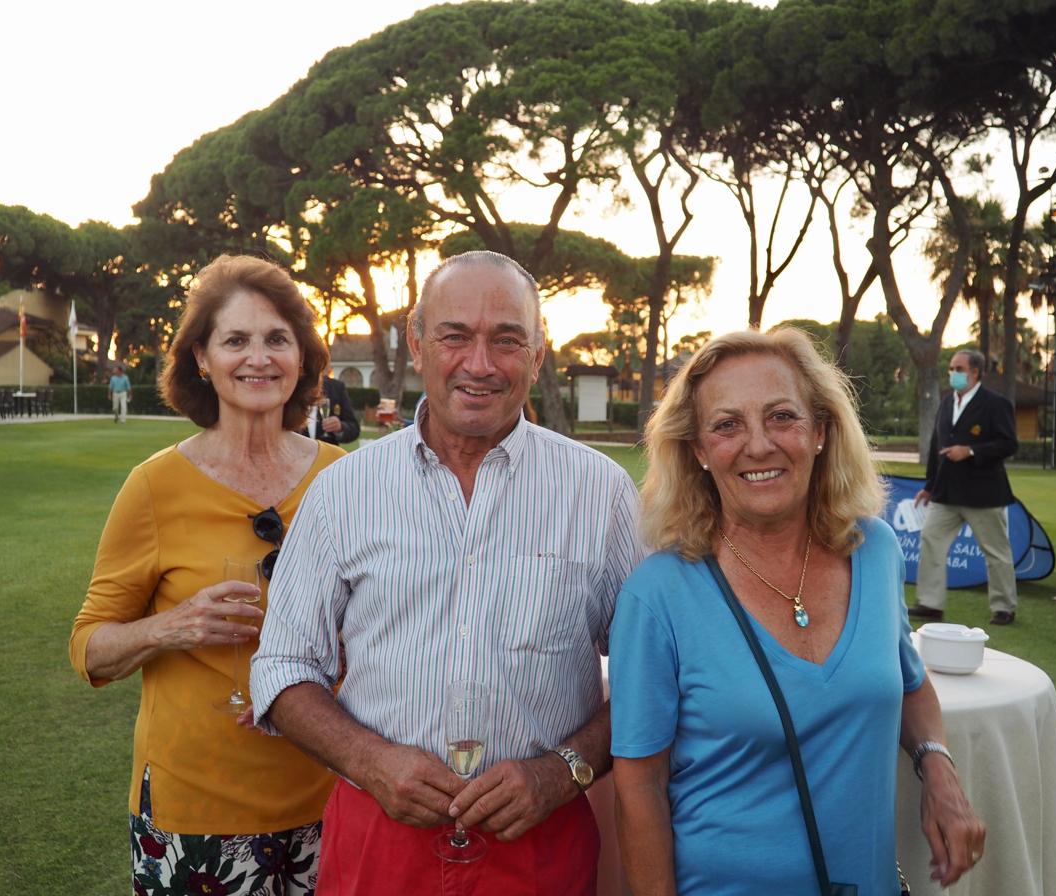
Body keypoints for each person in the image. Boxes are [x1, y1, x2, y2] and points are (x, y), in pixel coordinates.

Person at [250, 250, 643, 896]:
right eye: (455, 336)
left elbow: (649, 679)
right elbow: (282, 665)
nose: (479, 364)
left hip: (540, 850)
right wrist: (368, 761)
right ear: (417, 344)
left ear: (538, 355)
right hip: (379, 842)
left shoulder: (599, 493)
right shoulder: (344, 491)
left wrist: (559, 772)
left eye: (507, 340)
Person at [609, 328, 985, 895]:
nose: (758, 445)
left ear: (820, 432)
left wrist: (938, 768)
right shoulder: (657, 595)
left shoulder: (875, 551)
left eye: (781, 416)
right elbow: (640, 788)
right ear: (698, 451)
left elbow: (908, 684)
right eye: (727, 425)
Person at [69, 255, 344, 895]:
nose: (260, 357)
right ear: (201, 357)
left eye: (278, 338)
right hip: (196, 811)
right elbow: (89, 648)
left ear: (302, 357)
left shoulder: (345, 479)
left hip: (329, 796)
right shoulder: (155, 487)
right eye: (236, 339)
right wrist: (172, 626)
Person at [909, 349, 1019, 625]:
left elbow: (1009, 444)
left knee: (995, 551)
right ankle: (930, 603)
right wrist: (929, 486)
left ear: (975, 373)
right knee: (931, 541)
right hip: (946, 492)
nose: (953, 373)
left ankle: (1004, 607)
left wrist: (970, 451)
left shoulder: (996, 403)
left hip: (984, 493)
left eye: (958, 368)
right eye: (951, 368)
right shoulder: (947, 403)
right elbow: (937, 446)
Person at [308, 365, 360, 444]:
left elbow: (354, 429)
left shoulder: (336, 387)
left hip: (328, 453)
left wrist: (340, 427)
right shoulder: (290, 386)